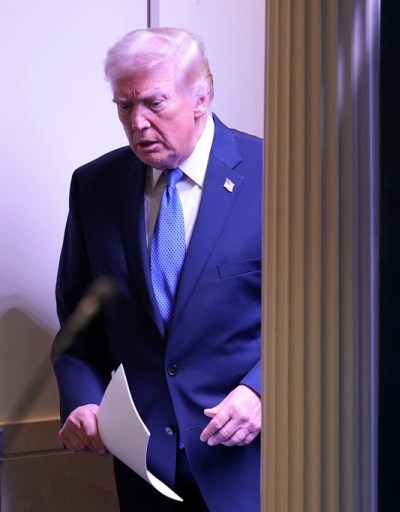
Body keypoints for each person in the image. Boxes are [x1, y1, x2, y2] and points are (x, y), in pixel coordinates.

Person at [51, 27, 263, 511]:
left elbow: (323, 318)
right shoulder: (95, 186)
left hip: (248, 462)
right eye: (125, 106)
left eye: (154, 103)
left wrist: (262, 392)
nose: (138, 123)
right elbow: (77, 326)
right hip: (145, 468)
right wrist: (83, 399)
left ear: (201, 98)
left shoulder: (278, 175)